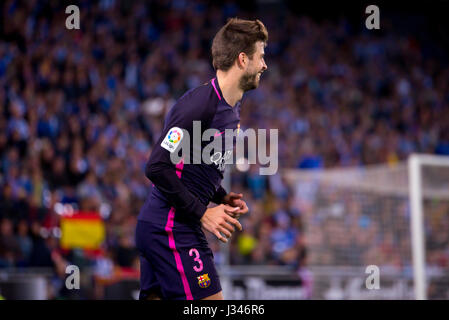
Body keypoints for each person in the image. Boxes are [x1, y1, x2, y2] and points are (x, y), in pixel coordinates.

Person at [135, 17, 268, 300]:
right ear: (243, 59)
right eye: (260, 57)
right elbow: (157, 165)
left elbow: (194, 166)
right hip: (170, 229)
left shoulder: (232, 108)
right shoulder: (197, 105)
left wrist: (219, 197)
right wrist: (203, 213)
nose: (264, 65)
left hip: (170, 226)